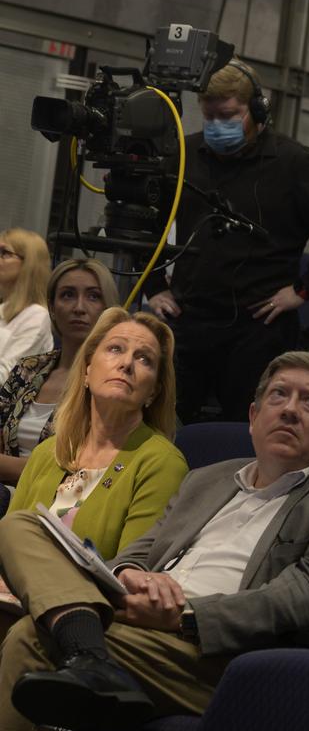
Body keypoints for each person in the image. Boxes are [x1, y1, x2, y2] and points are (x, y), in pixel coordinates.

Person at [0, 351, 309, 731]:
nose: (291, 410)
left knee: (32, 636)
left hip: (223, 653)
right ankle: (89, 651)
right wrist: (132, 577)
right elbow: (138, 552)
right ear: (253, 416)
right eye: (279, 396)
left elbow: (308, 596)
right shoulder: (208, 478)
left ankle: (82, 650)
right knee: (20, 525)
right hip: (138, 620)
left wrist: (181, 616)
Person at [142, 59, 309, 423]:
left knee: (244, 434)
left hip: (258, 329)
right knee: (162, 426)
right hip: (190, 318)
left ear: (259, 109)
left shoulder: (295, 163)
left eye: (228, 115)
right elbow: (145, 220)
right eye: (209, 116)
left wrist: (305, 289)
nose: (216, 126)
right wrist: (153, 287)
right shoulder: (182, 156)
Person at [3, 307, 185, 560]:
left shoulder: (161, 464)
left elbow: (130, 574)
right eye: (115, 349)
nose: (126, 364)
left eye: (144, 359)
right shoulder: (49, 451)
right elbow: (7, 543)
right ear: (87, 371)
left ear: (153, 391)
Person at [0, 258, 118, 485]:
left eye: (93, 296)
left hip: (58, 501)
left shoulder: (111, 381)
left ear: (107, 308)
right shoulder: (29, 368)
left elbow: (67, 467)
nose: (79, 308)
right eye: (67, 295)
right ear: (52, 308)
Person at [0, 229, 52, 386]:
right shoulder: (4, 308)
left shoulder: (36, 316)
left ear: (29, 263)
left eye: (5, 253)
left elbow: (6, 378)